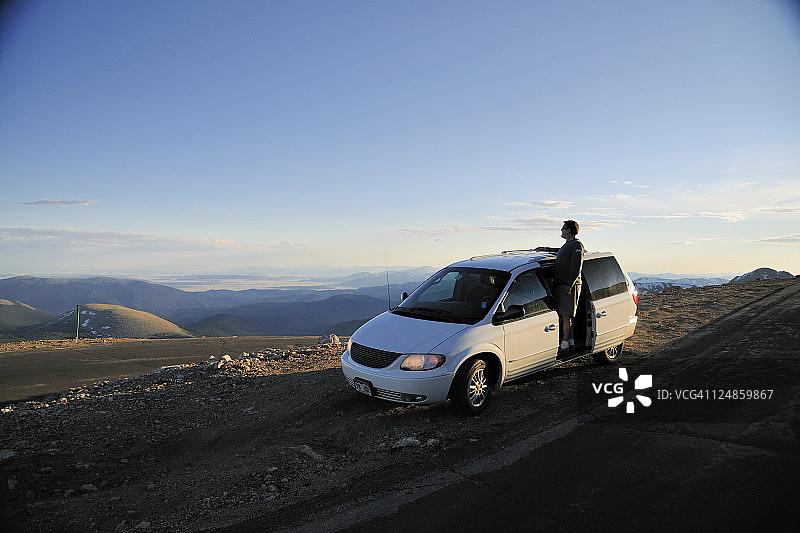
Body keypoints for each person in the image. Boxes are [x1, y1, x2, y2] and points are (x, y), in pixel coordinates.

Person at [554, 220, 584, 351]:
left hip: (569, 286)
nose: (561, 230)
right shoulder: (568, 245)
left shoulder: (577, 245)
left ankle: (564, 344)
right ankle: (570, 341)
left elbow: (576, 268)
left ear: (569, 230)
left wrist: (569, 285)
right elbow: (561, 252)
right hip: (564, 285)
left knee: (566, 315)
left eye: (563, 228)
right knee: (566, 315)